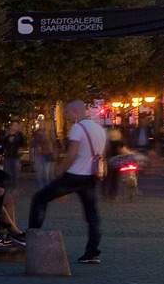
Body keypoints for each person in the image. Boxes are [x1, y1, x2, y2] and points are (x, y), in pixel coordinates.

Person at [26, 100, 105, 264]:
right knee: (92, 214)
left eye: (67, 113)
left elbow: (71, 155)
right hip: (91, 175)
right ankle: (92, 252)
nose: (66, 116)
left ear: (75, 112)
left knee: (40, 198)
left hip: (75, 174)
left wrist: (59, 171)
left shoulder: (78, 128)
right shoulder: (99, 130)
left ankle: (30, 235)